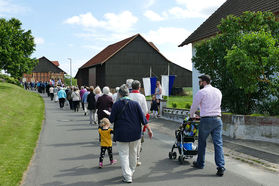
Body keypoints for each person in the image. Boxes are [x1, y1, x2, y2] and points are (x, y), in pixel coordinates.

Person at [109, 84, 153, 183]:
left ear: (119, 94)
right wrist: (149, 130)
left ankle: (127, 175)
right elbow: (143, 119)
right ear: (128, 94)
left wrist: (104, 124)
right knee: (133, 153)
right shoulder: (136, 104)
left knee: (124, 155)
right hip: (135, 133)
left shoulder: (116, 105)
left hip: (121, 133)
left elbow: (111, 120)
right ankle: (131, 171)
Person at [190, 74, 225, 176]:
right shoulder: (218, 91)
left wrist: (192, 115)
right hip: (218, 119)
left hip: (206, 120)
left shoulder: (202, 92)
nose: (199, 83)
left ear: (204, 82)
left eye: (200, 81)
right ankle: (221, 167)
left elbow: (194, 106)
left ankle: (200, 163)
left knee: (202, 142)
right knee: (218, 144)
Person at [129, 80, 149, 166]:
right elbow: (145, 110)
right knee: (137, 141)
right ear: (139, 87)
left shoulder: (128, 95)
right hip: (137, 121)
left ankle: (129, 159)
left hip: (127, 120)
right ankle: (136, 159)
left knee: (128, 140)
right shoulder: (141, 97)